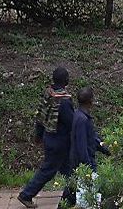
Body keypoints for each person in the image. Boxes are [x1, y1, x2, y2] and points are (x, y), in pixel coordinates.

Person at [18, 67, 74, 208]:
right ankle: (27, 194)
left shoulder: (49, 93)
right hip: (60, 142)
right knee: (51, 170)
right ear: (66, 80)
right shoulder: (64, 101)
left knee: (66, 170)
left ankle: (68, 198)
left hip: (48, 137)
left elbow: (40, 116)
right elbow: (71, 123)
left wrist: (38, 135)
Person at [65, 87, 110, 207]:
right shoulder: (82, 120)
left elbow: (92, 138)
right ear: (90, 101)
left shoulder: (80, 115)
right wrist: (88, 168)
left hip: (79, 161)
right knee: (88, 192)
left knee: (72, 192)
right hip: (84, 162)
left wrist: (105, 149)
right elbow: (82, 146)